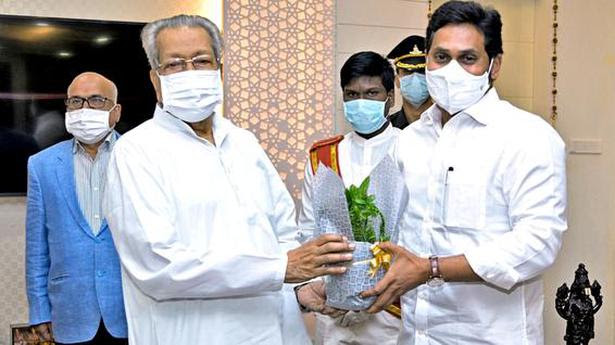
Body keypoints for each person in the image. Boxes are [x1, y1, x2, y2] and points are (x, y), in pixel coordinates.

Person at [102, 14, 354, 345]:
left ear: (219, 70)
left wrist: (302, 289)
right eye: (175, 65)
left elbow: (282, 232)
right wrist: (281, 269)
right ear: (155, 79)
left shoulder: (243, 142)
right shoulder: (136, 152)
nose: (190, 72)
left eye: (201, 61)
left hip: (275, 331)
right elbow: (159, 266)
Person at [362, 1, 567, 344]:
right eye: (441, 57)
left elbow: (539, 242)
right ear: (427, 59)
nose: (450, 70)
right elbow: (392, 229)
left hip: (490, 336)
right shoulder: (408, 141)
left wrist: (432, 269)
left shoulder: (528, 137)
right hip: (417, 334)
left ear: (494, 65)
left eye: (468, 58)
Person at [297, 51, 401, 345]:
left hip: (394, 305)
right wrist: (314, 285)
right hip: (334, 304)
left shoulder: (411, 149)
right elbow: (308, 229)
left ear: (389, 97)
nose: (361, 102)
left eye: (371, 93)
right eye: (352, 94)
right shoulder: (323, 155)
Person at [25, 72, 127, 344]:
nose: (84, 109)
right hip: (70, 311)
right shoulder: (41, 165)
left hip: (131, 312)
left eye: (95, 100)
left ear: (115, 112)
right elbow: (37, 248)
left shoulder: (140, 157)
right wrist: (39, 311)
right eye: (75, 101)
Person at [386, 35, 433, 129]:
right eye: (408, 72)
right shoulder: (387, 129)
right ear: (397, 81)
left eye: (422, 71)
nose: (415, 78)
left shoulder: (449, 124)